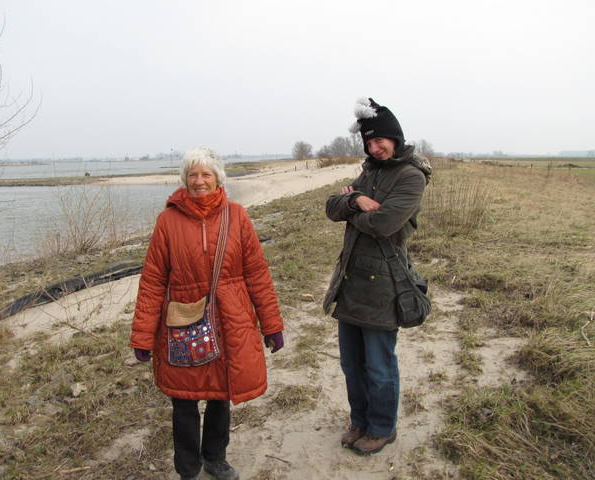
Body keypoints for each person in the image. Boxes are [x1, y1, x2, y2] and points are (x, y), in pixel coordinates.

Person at [130, 147, 285, 480]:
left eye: (206, 174)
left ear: (218, 178)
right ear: (184, 179)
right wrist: (142, 335)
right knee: (183, 400)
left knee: (220, 395)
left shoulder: (237, 216)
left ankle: (215, 458)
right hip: (182, 322)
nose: (199, 181)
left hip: (230, 320)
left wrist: (272, 324)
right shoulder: (167, 221)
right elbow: (153, 280)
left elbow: (257, 273)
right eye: (192, 175)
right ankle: (188, 468)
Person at [323, 98, 431, 456]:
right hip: (350, 281)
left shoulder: (412, 176)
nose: (374, 147)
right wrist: (357, 201)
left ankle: (382, 428)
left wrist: (352, 207)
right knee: (352, 364)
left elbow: (383, 224)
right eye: (368, 142)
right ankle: (360, 421)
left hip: (384, 285)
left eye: (379, 140)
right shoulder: (369, 172)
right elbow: (331, 207)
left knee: (380, 366)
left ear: (395, 138)